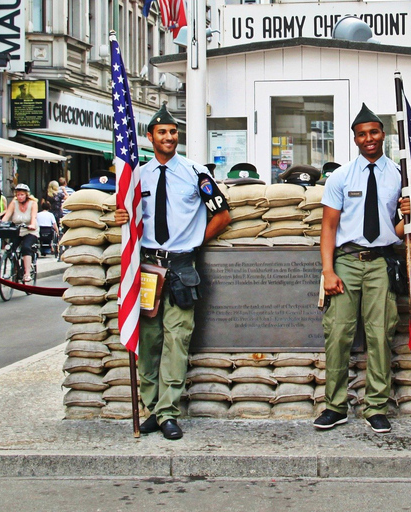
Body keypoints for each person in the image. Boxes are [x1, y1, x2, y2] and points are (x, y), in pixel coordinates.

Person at [116, 103, 230, 440]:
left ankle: (167, 412)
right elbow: (128, 215)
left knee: (177, 340)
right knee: (149, 341)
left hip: (181, 266)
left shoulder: (196, 173)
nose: (169, 137)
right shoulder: (138, 176)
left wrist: (194, 243)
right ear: (150, 136)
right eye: (162, 132)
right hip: (148, 266)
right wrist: (121, 218)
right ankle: (152, 407)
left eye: (173, 132)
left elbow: (222, 215)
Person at [315, 103, 410, 434]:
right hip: (346, 261)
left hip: (381, 262)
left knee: (380, 335)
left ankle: (376, 407)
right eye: (361, 134)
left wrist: (408, 215)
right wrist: (328, 271)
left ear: (383, 134)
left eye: (373, 132)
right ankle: (335, 406)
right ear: (354, 139)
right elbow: (328, 227)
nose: (368, 139)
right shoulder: (342, 176)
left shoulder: (400, 176)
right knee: (338, 334)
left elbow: (396, 228)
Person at [0, 183, 39, 283]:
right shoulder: (14, 203)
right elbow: (7, 215)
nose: (19, 197)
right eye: (18, 195)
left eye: (22, 194)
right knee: (10, 248)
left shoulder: (33, 203)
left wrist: (32, 225)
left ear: (26, 195)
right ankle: (13, 270)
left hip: (30, 230)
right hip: (17, 230)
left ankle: (26, 273)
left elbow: (33, 216)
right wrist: (1, 224)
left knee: (26, 247)